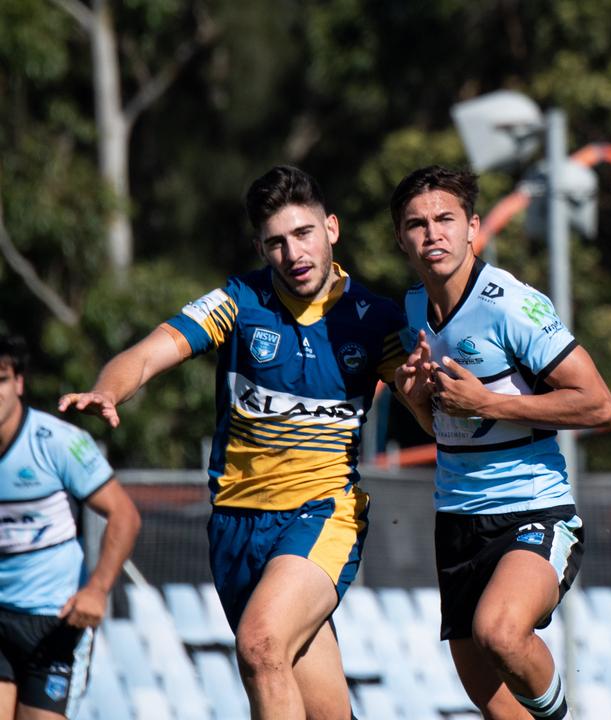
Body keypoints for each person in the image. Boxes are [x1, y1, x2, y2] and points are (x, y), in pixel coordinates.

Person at [59, 166, 408, 720]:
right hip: (236, 525)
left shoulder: (378, 320)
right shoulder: (238, 301)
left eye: (304, 233)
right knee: (317, 704)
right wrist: (109, 389)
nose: (293, 252)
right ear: (260, 248)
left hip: (322, 513)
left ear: (332, 229)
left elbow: (429, 410)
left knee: (260, 644)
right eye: (276, 241)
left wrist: (456, 396)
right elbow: (151, 351)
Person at [390, 165, 611, 720]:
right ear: (401, 239)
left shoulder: (509, 304)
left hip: (533, 511)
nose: (432, 234)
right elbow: (444, 428)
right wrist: (418, 400)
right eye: (416, 224)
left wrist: (490, 403)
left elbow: (597, 402)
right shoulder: (413, 309)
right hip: (457, 522)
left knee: (501, 632)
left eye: (445, 219)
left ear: (473, 227)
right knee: (493, 704)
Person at [0, 335, 140, 720]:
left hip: (54, 622)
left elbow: (124, 515)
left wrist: (96, 590)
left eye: (0, 379)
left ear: (18, 383)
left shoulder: (58, 443)